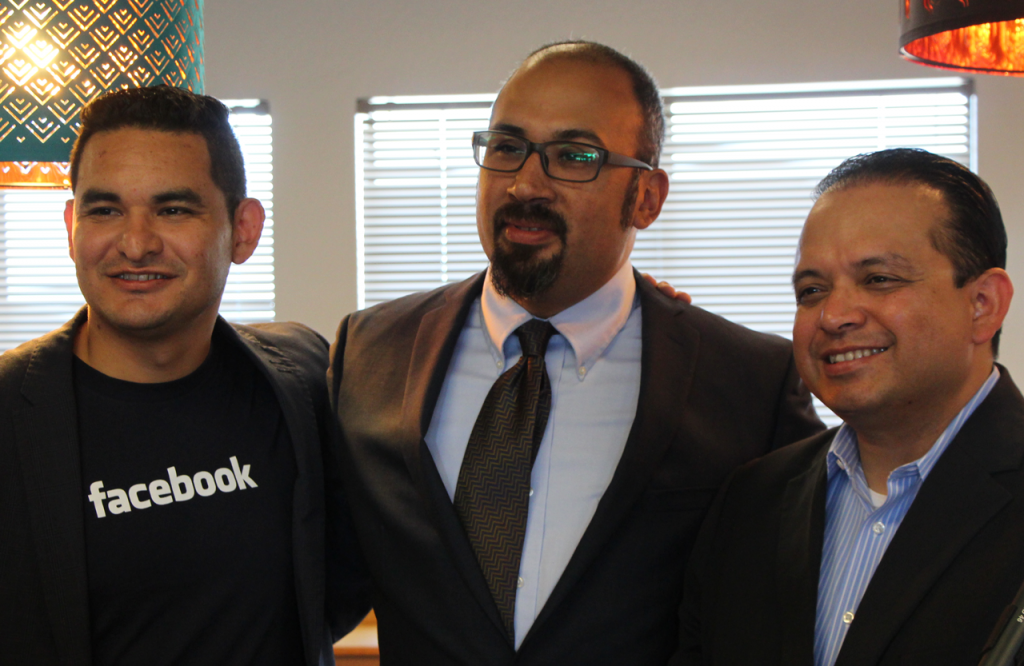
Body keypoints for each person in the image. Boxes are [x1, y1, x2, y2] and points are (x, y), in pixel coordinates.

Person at [328, 40, 823, 665]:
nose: (526, 183)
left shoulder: (748, 381)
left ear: (647, 197)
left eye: (574, 156)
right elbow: (319, 577)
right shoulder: (369, 354)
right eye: (507, 148)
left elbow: (792, 606)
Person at [0, 85, 367, 665]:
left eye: (173, 210)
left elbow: (345, 575)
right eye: (105, 209)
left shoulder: (306, 375)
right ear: (72, 225)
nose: (136, 243)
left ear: (242, 230)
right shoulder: (10, 411)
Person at [677, 148, 1022, 666]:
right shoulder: (750, 503)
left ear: (983, 305)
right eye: (811, 290)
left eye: (878, 279)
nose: (833, 315)